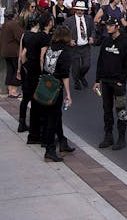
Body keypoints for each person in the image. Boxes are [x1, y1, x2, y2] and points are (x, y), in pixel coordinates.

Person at [93, 16, 127, 151]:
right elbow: (100, 61)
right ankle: (108, 136)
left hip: (118, 83)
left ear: (117, 27)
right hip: (105, 82)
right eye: (107, 25)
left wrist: (122, 80)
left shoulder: (125, 42)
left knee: (120, 110)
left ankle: (122, 138)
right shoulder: (106, 41)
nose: (108, 27)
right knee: (107, 110)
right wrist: (97, 80)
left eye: (110, 25)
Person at [40, 25, 75, 162]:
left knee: (54, 116)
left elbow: (44, 64)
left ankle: (62, 141)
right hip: (56, 87)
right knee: (52, 119)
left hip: (46, 85)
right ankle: (50, 149)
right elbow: (65, 75)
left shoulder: (50, 48)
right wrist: (68, 94)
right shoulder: (65, 53)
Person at [17, 13, 52, 140]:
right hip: (37, 72)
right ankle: (39, 129)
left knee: (26, 98)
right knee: (38, 102)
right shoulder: (40, 37)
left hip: (28, 71)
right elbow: (42, 57)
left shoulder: (26, 36)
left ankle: (22, 122)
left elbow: (22, 55)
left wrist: (21, 68)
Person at [64, 0, 94, 90]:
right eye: (78, 10)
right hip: (74, 47)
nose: (80, 11)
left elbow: (93, 29)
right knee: (75, 67)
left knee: (87, 65)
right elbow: (63, 33)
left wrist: (92, 37)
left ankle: (81, 76)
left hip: (85, 46)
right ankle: (76, 81)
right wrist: (69, 41)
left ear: (84, 10)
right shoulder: (69, 20)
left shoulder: (88, 19)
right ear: (75, 10)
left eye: (82, 10)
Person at [0, 9, 24, 98]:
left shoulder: (5, 24)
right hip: (13, 51)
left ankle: (10, 90)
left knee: (10, 70)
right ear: (14, 16)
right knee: (17, 70)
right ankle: (13, 91)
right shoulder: (13, 25)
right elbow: (21, 37)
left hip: (5, 51)